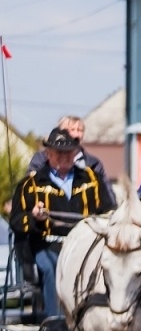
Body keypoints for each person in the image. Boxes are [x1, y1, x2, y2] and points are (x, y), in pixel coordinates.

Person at [10, 127, 115, 316]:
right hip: (46, 243)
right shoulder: (31, 185)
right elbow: (16, 221)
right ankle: (55, 324)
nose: (64, 156)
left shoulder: (92, 179)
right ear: (48, 154)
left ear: (75, 153)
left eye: (68, 152)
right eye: (59, 152)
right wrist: (34, 217)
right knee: (52, 269)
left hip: (87, 243)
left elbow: (108, 210)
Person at [28, 115, 113, 204]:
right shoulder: (40, 159)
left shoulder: (93, 163)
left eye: (80, 130)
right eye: (71, 130)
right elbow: (30, 186)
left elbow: (106, 192)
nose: (76, 134)